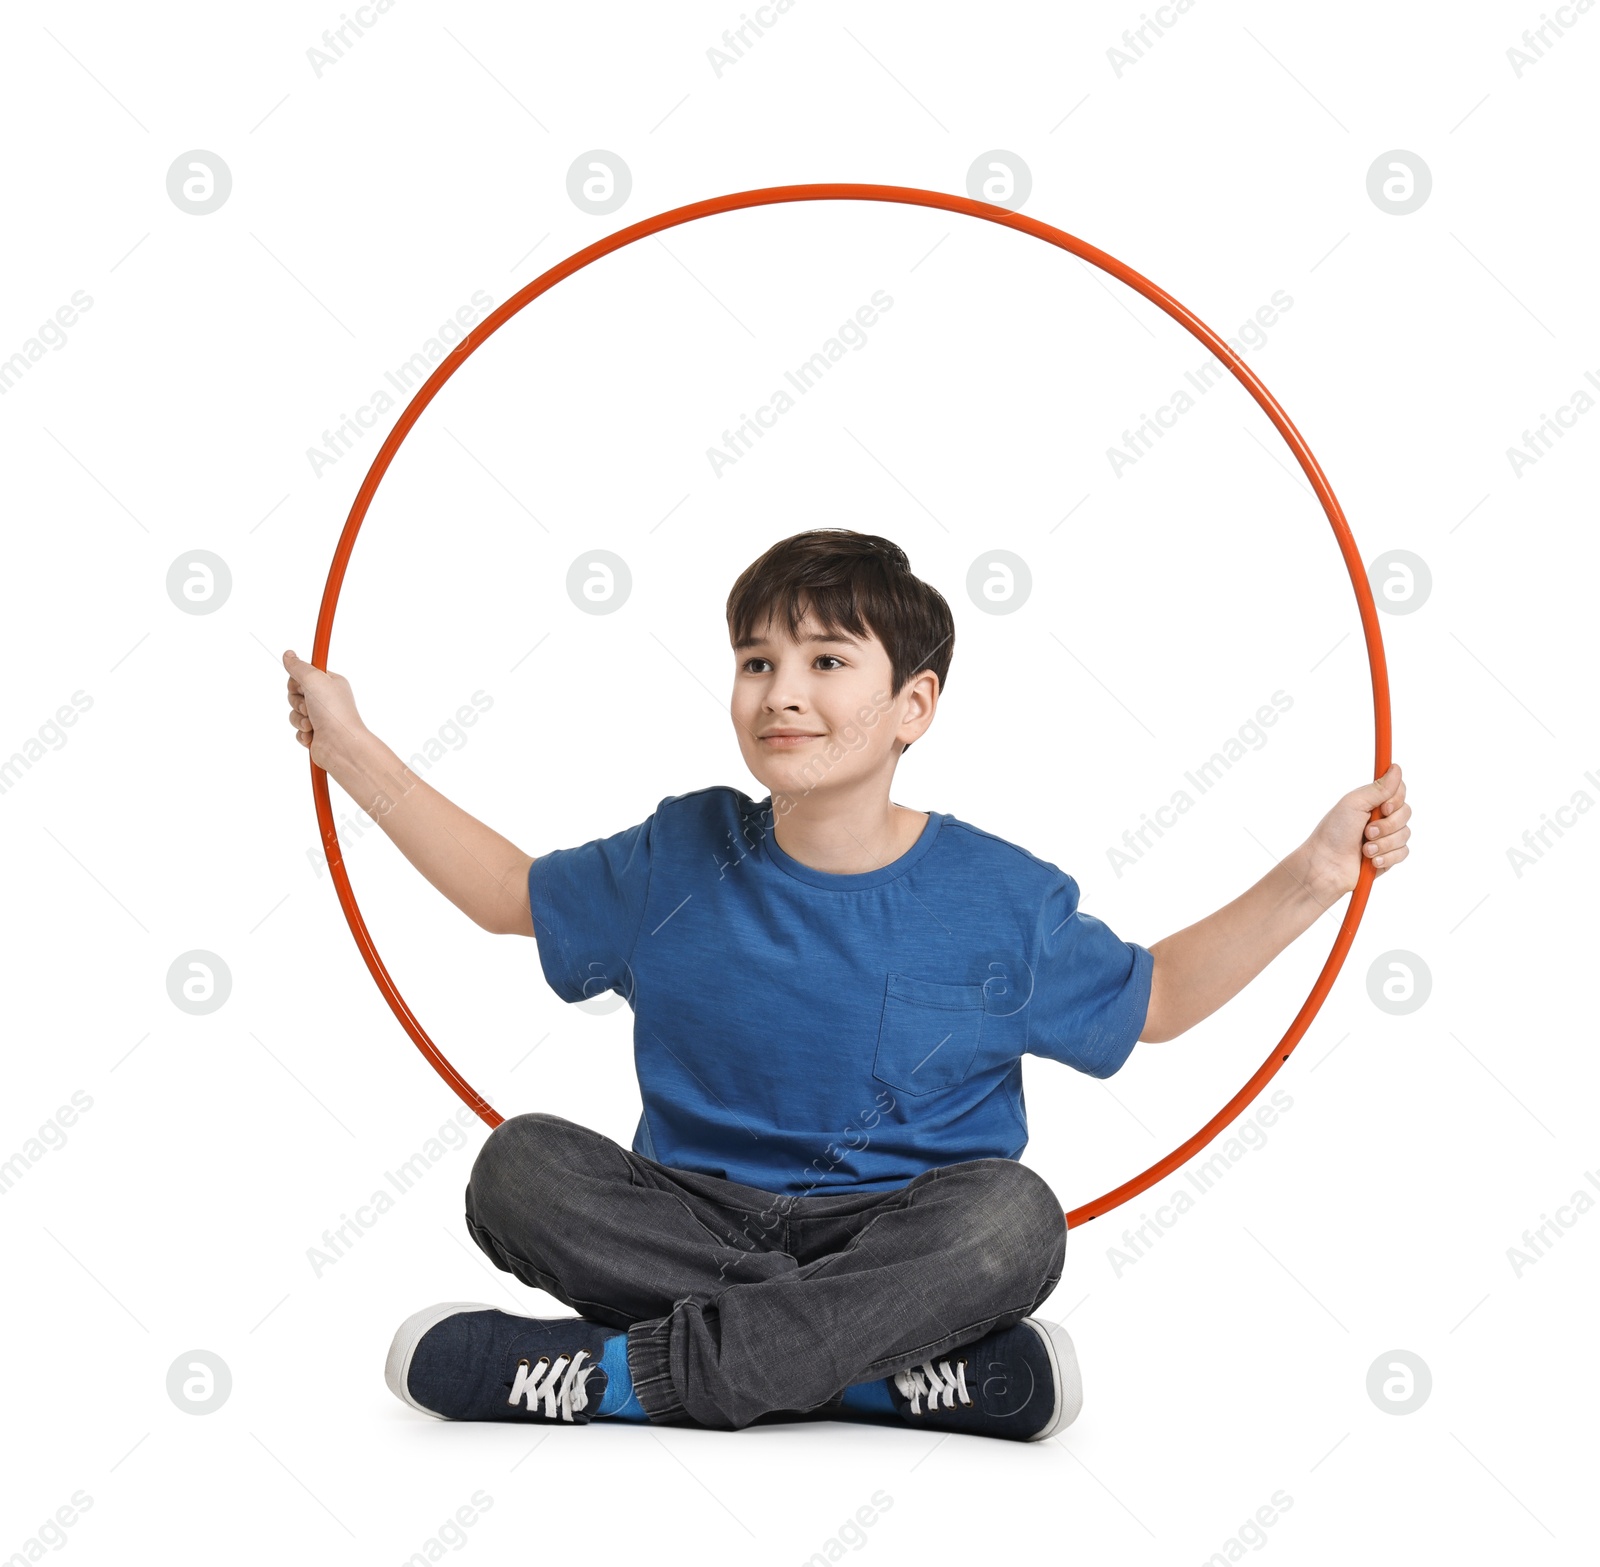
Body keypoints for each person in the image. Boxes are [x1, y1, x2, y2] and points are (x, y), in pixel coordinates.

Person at [281, 528, 1411, 1440]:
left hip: (902, 1229)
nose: (783, 690)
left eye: (827, 661)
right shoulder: (679, 854)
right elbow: (506, 891)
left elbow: (1155, 997)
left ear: (912, 707)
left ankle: (627, 1377)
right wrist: (351, 748)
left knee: (1011, 1221)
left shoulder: (997, 897)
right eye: (757, 660)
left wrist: (1315, 874)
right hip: (696, 1214)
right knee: (519, 1166)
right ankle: (874, 1374)